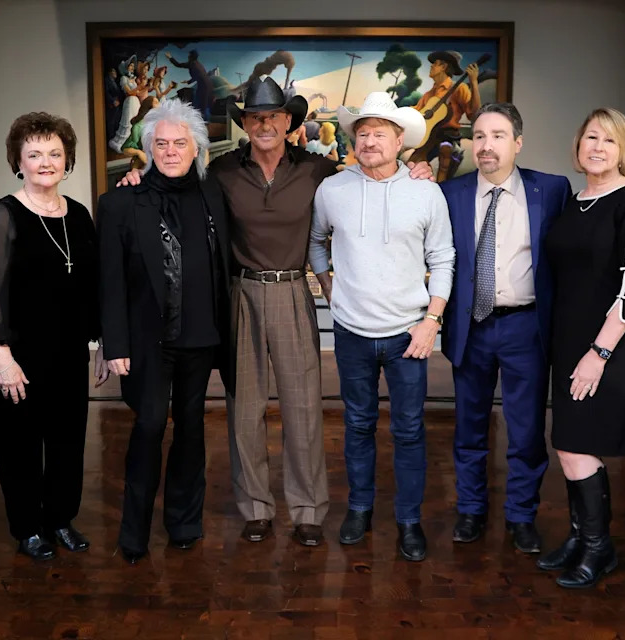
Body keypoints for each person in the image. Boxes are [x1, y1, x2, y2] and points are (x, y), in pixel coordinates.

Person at [119, 76, 433, 548]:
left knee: (303, 408)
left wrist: (415, 168)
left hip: (291, 290)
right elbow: (172, 185)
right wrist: (137, 178)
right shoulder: (221, 171)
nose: (264, 124)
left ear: (289, 122)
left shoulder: (317, 170)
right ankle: (256, 509)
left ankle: (308, 510)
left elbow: (371, 175)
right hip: (240, 293)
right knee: (244, 409)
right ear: (245, 123)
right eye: (254, 117)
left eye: (273, 116)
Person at [309, 93, 454, 561]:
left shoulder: (426, 191)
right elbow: (316, 242)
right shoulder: (332, 189)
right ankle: (359, 509)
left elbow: (443, 259)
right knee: (357, 425)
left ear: (399, 141)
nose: (369, 141)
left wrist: (431, 321)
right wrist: (331, 290)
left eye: (379, 134)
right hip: (351, 332)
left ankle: (409, 520)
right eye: (363, 133)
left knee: (409, 431)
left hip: (409, 334)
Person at [0, 112, 107, 561]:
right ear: (18, 162)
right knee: (19, 446)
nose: (46, 163)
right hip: (17, 357)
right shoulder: (1, 216)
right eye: (35, 154)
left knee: (68, 442)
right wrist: (1, 358)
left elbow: (94, 287)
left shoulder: (78, 215)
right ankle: (27, 528)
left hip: (68, 354)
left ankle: (60, 519)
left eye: (55, 154)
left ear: (67, 160)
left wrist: (102, 342)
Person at [98, 99, 233, 565]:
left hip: (202, 336)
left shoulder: (214, 193)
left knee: (191, 429)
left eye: (180, 143)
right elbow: (109, 281)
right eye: (161, 143)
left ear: (197, 148)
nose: (171, 151)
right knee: (149, 426)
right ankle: (134, 532)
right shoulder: (120, 202)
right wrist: (113, 343)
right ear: (148, 148)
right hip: (146, 341)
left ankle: (184, 523)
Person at [440, 103, 572, 554]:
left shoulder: (551, 190)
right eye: (479, 136)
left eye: (498, 136)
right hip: (471, 327)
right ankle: (471, 510)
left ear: (518, 143)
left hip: (525, 328)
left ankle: (520, 516)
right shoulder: (450, 193)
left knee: (527, 430)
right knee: (469, 427)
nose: (486, 145)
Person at [539, 108, 625, 588]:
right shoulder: (576, 201)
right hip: (570, 340)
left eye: (609, 140)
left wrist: (599, 353)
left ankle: (598, 547)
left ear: (622, 150)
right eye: (591, 137)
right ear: (578, 145)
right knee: (572, 445)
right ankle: (581, 539)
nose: (598, 148)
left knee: (575, 446)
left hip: (609, 344)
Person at [414, 51, 481, 182]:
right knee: (413, 161)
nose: (431, 66)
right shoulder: (429, 94)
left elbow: (474, 114)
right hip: (430, 137)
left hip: (448, 136)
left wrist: (473, 83)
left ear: (444, 67)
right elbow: (416, 111)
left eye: (435, 64)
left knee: (445, 153)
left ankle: (442, 187)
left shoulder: (459, 88)